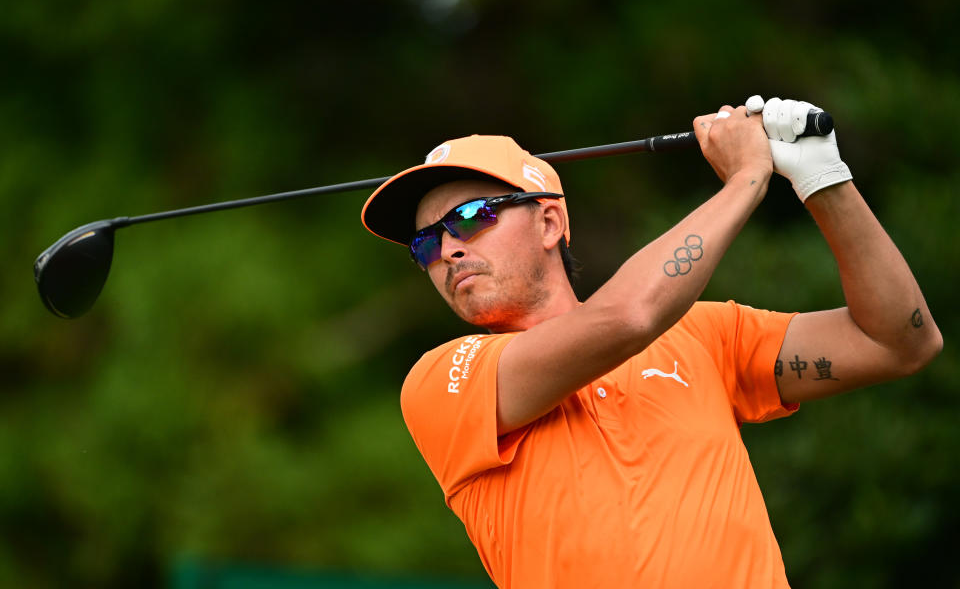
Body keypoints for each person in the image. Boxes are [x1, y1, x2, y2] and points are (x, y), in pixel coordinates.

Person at [359, 97, 942, 588]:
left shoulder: (706, 335)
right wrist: (746, 178)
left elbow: (898, 341)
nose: (448, 251)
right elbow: (628, 317)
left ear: (549, 223)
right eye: (425, 245)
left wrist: (822, 176)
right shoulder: (444, 380)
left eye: (468, 218)